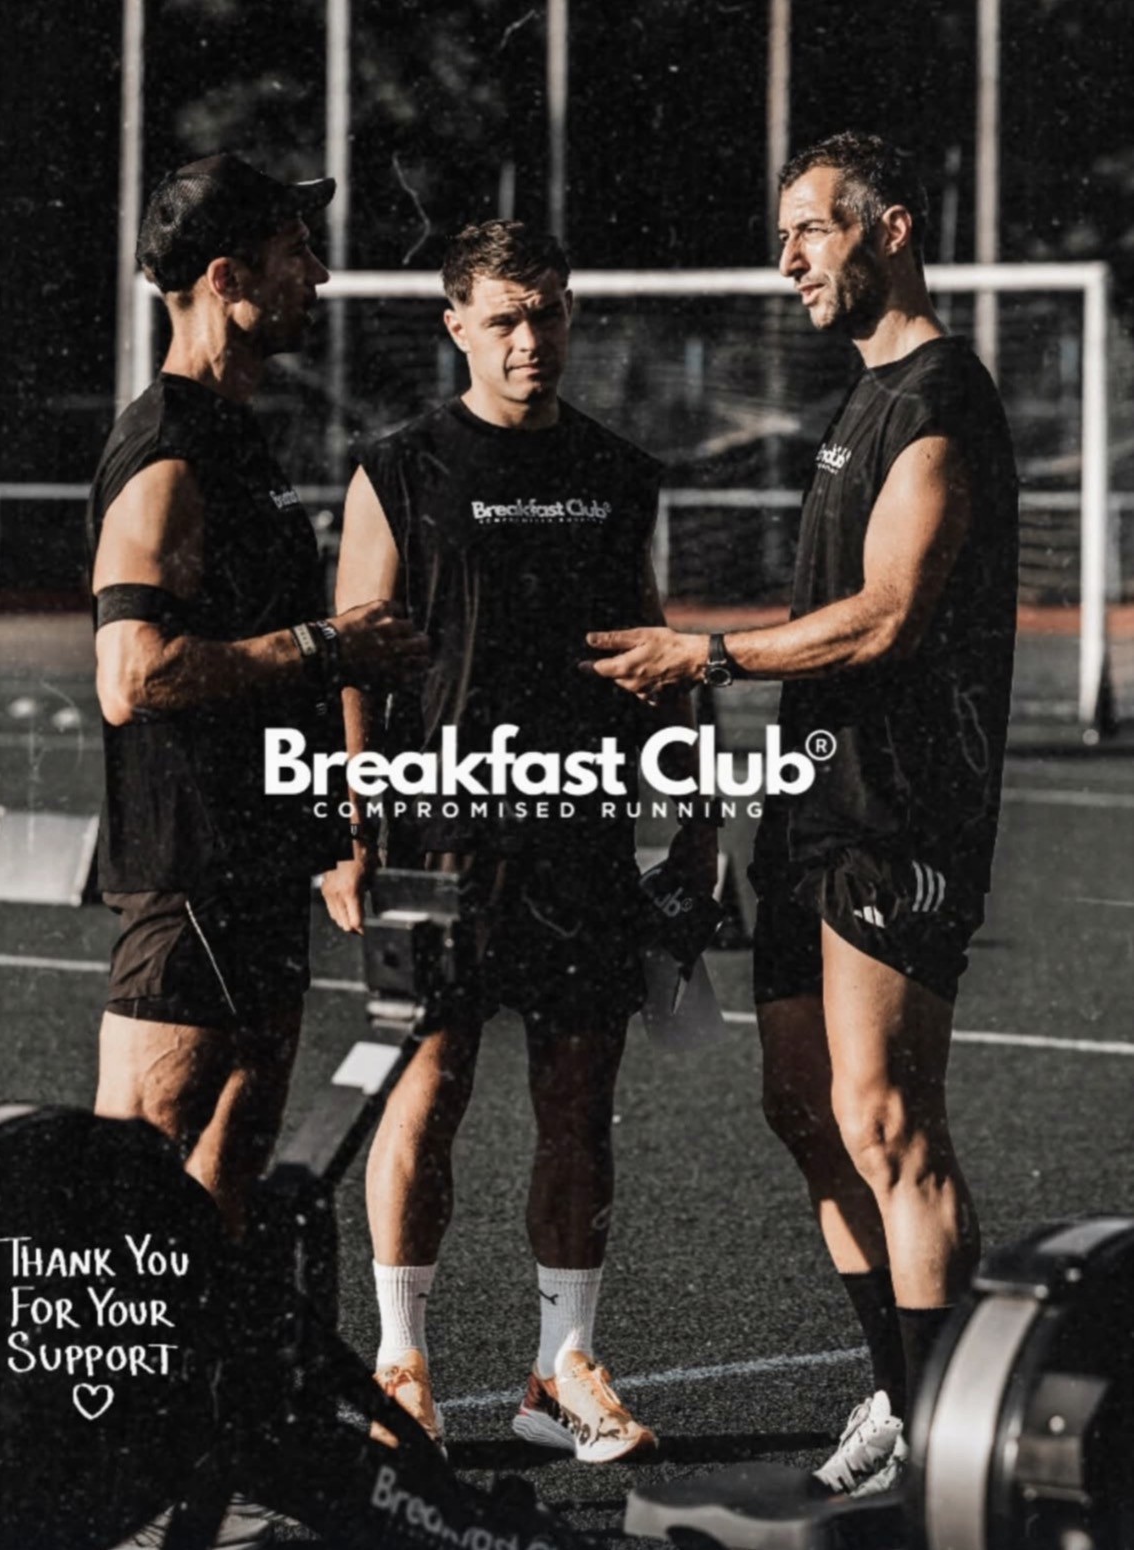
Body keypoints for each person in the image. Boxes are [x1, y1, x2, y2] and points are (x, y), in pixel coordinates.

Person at [585, 132, 1018, 1494]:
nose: (784, 263)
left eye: (807, 233)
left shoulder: (941, 396)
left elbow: (884, 619)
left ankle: (952, 1436)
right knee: (801, 1104)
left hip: (902, 814)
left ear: (885, 229)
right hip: (814, 806)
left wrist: (701, 655)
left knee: (886, 1118)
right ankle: (903, 1393)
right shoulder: (859, 396)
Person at [322, 219, 717, 1463]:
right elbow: (350, 665)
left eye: (547, 312)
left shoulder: (613, 469)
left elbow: (650, 652)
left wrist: (697, 822)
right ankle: (403, 1362)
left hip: (581, 837)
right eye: (503, 317)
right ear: (456, 327)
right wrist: (349, 830)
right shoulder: (396, 467)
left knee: (578, 1104)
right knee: (426, 1094)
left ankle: (560, 1373)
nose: (530, 338)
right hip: (439, 836)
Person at [87, 152, 427, 1242]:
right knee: (131, 1171)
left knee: (230, 1160)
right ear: (229, 276)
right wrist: (329, 643)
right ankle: (74, 1409)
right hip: (192, 871)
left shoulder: (238, 434)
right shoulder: (170, 449)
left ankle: (198, 1407)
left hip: (260, 862)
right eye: (296, 255)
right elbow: (132, 672)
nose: (320, 276)